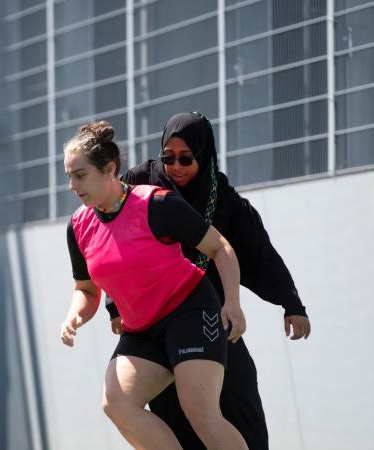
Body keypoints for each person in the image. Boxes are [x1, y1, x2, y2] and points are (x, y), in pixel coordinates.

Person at [107, 111, 311, 449]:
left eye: (186, 158)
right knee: (167, 410)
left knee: (237, 398)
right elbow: (111, 240)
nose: (176, 167)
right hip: (157, 321)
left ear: (204, 154)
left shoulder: (224, 201)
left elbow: (259, 255)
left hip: (211, 315)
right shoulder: (141, 184)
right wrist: (115, 306)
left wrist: (292, 305)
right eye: (168, 157)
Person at [61, 120, 249, 450]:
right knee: (117, 402)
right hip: (142, 329)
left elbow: (221, 248)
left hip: (189, 311)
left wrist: (231, 302)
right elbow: (87, 290)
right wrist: (74, 314)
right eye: (69, 177)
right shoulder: (78, 226)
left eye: (80, 175)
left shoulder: (156, 205)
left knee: (200, 412)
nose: (73, 186)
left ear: (109, 169)